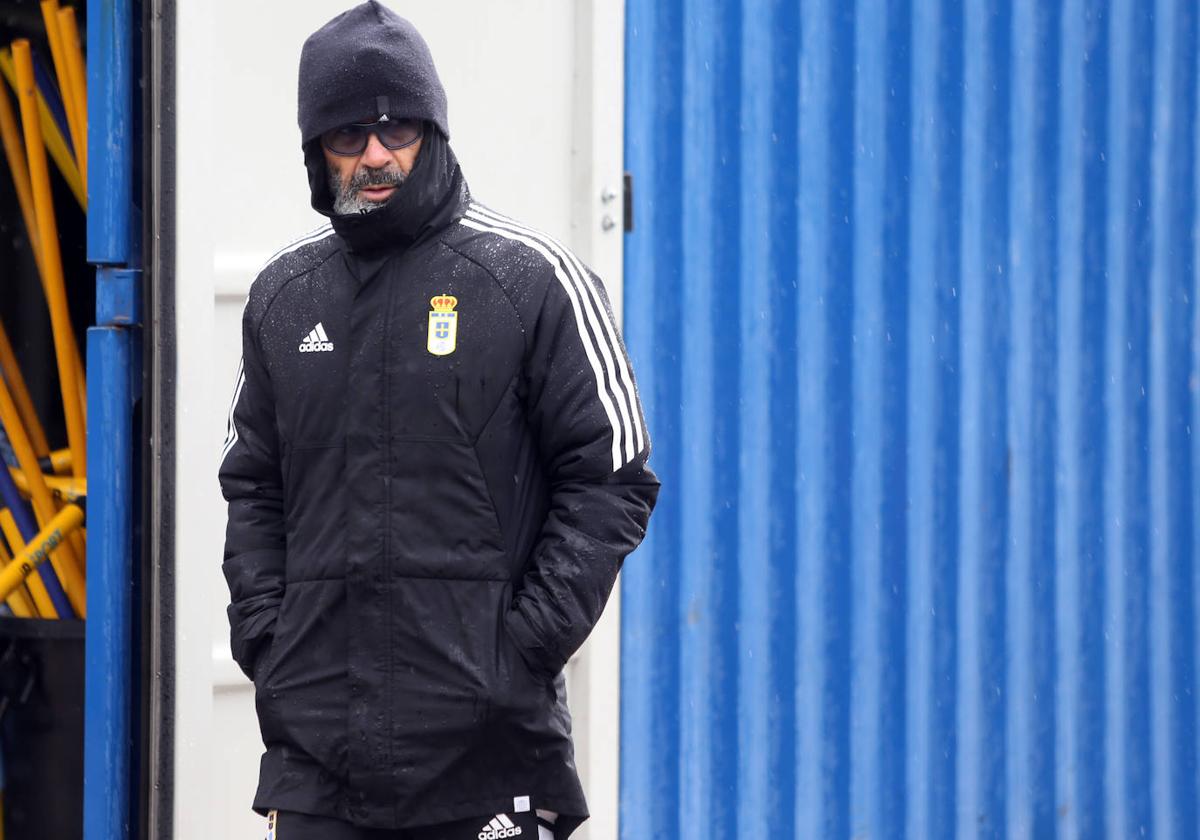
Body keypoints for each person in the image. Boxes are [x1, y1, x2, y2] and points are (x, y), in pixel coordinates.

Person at [217, 3, 659, 839]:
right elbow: (252, 489)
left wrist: (517, 652)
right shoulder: (281, 299)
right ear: (316, 149)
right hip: (319, 760)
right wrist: (273, 649)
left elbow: (613, 477)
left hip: (488, 760)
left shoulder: (532, 280)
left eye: (397, 129)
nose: (376, 154)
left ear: (434, 130)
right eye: (349, 134)